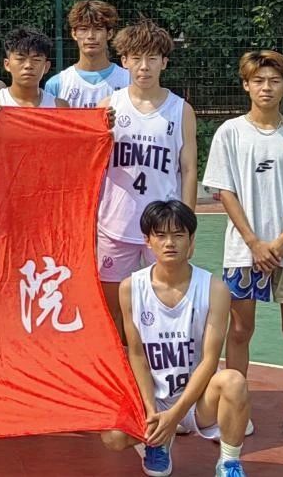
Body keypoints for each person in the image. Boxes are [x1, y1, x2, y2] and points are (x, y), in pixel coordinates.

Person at [202, 50, 283, 451]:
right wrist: (254, 243)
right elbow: (225, 191)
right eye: (258, 80)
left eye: (274, 81)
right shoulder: (229, 133)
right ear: (246, 85)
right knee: (240, 330)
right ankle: (236, 407)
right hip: (243, 253)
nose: (266, 87)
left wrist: (282, 242)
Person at [99, 200, 251, 477]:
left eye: (178, 235)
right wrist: (152, 411)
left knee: (234, 382)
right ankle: (157, 442)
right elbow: (137, 354)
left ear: (191, 240)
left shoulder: (214, 289)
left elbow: (209, 360)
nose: (169, 243)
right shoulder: (131, 288)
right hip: (153, 397)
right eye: (160, 235)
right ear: (147, 240)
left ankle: (229, 462)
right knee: (112, 436)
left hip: (197, 400)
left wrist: (176, 415)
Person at [96, 19, 198, 332]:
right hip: (115, 225)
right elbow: (92, 167)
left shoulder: (181, 110)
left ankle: (157, 364)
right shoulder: (108, 107)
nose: (144, 66)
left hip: (164, 230)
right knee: (112, 313)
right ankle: (121, 365)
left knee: (163, 307)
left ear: (164, 62)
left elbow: (188, 169)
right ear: (124, 61)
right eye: (136, 58)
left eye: (152, 58)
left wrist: (188, 226)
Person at [44, 0, 130, 107]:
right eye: (83, 29)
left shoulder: (129, 80)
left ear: (109, 34)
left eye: (98, 29)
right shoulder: (56, 84)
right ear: (74, 33)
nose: (90, 36)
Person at [0, 26, 66, 110]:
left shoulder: (59, 107)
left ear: (46, 67)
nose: (28, 65)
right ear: (7, 64)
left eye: (36, 59)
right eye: (20, 59)